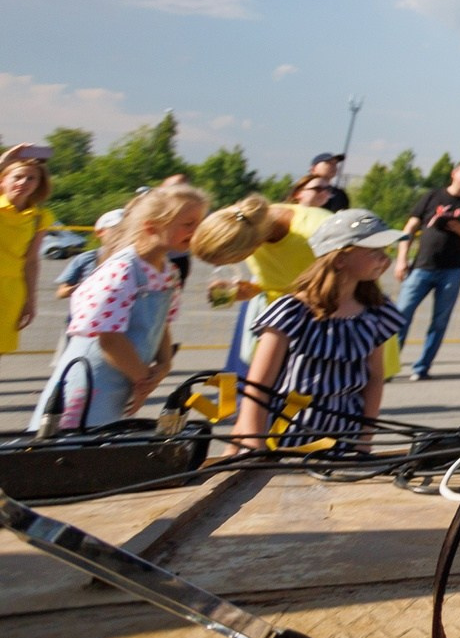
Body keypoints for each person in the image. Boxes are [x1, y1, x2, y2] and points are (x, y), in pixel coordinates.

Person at [30, 182, 206, 431]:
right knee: (67, 445)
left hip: (125, 380)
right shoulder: (122, 270)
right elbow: (109, 338)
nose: (197, 230)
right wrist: (143, 380)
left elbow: (162, 323)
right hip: (89, 383)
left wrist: (165, 364)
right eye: (189, 224)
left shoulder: (169, 273)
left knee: (101, 447)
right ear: (152, 227)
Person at [230, 209, 405, 451]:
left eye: (386, 251)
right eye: (375, 251)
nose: (385, 259)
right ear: (340, 258)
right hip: (287, 437)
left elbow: (374, 379)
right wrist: (254, 443)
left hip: (344, 436)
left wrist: (365, 439)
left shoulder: (376, 311)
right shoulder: (291, 311)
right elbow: (259, 385)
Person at [193, 191, 333, 377]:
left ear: (254, 245)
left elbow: (353, 285)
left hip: (327, 328)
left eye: (230, 260)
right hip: (289, 325)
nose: (223, 266)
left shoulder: (317, 232)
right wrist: (254, 290)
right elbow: (281, 279)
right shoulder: (251, 224)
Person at [392, 157, 460, 380]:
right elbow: (409, 228)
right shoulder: (432, 196)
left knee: (440, 321)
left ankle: (422, 367)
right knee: (400, 316)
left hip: (452, 269)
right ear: (454, 173)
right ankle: (389, 365)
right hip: (422, 266)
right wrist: (401, 259)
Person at [0, 146, 55, 356]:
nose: (23, 183)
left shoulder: (40, 217)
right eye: (18, 177)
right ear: (3, 180)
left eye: (31, 178)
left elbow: (31, 261)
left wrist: (30, 301)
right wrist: (4, 160)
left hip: (11, 291)